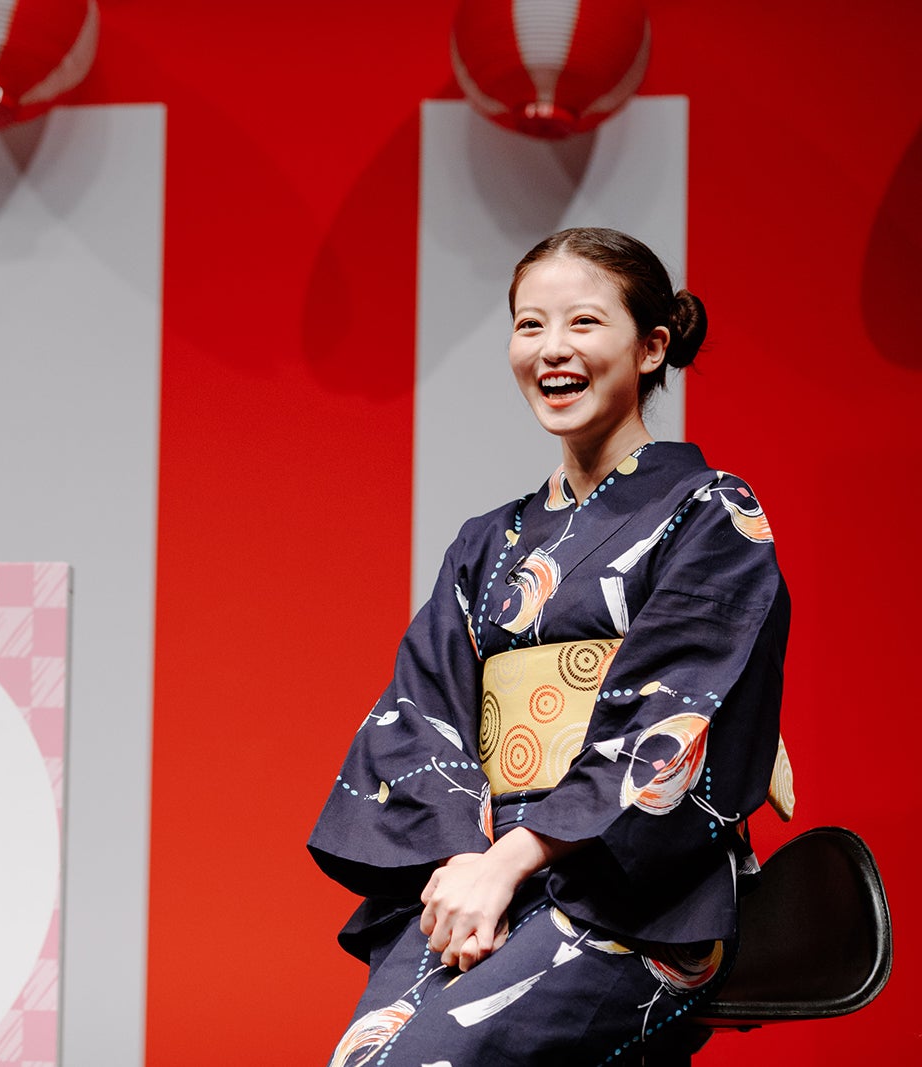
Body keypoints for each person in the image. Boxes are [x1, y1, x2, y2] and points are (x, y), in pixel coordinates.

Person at [308, 228, 791, 1066]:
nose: (553, 349)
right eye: (530, 325)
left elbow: (677, 706)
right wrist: (470, 865)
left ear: (651, 346)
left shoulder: (712, 515)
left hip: (631, 890)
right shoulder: (486, 544)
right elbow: (423, 712)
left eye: (583, 323)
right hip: (489, 870)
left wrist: (509, 864)